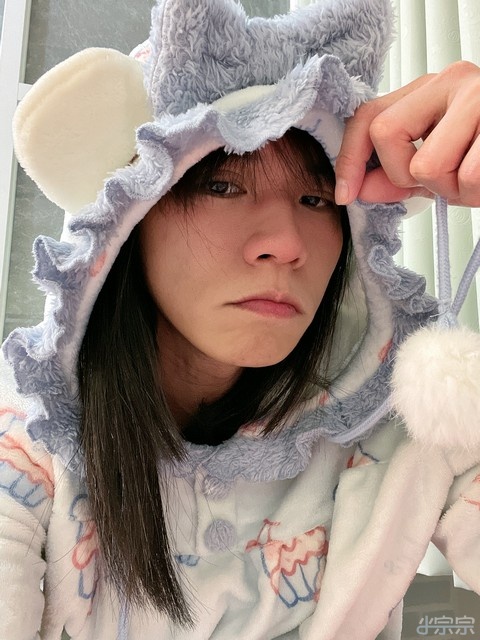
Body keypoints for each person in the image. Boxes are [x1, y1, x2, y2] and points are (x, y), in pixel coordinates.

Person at [0, 0, 479, 639]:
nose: (287, 243)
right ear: (127, 221)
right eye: (223, 185)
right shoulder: (28, 439)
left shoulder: (411, 418)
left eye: (316, 198)